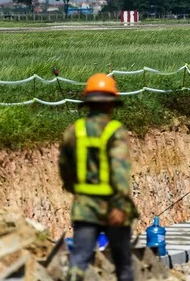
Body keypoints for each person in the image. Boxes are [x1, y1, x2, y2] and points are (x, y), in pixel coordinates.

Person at [58, 73, 139, 281]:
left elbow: (65, 168)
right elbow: (119, 170)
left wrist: (75, 190)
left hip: (85, 207)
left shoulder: (74, 131)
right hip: (113, 207)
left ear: (89, 103)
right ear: (111, 104)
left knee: (79, 259)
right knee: (123, 263)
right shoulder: (115, 131)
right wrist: (120, 203)